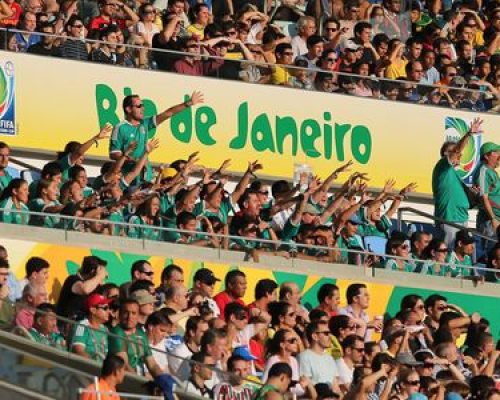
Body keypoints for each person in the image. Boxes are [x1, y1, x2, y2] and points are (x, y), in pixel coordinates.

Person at [109, 92, 204, 184]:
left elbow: (168, 113)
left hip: (147, 178)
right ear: (128, 109)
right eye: (139, 106)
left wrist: (188, 103)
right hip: (129, 179)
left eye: (143, 105)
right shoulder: (120, 127)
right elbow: (113, 154)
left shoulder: (145, 123)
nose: (142, 108)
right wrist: (134, 160)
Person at [432, 117, 483, 248]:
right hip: (449, 220)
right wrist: (469, 134)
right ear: (445, 154)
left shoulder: (456, 175)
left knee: (462, 256)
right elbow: (457, 150)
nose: (459, 155)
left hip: (463, 219)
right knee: (448, 255)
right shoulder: (442, 168)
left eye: (460, 154)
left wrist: (474, 196)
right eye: (455, 152)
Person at [108, 299, 164, 377]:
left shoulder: (140, 333)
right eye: (126, 313)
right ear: (119, 314)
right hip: (125, 379)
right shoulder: (116, 332)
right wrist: (140, 382)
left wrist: (162, 378)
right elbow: (124, 365)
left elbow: (152, 364)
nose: (129, 317)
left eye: (133, 313)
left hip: (139, 377)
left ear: (138, 316)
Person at [56, 256, 108, 321]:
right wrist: (99, 276)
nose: (106, 275)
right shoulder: (72, 280)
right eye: (101, 271)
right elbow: (85, 289)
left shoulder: (93, 286)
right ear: (93, 271)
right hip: (63, 324)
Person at [299, 321, 341, 392]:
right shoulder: (304, 357)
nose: (330, 336)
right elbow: (307, 386)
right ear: (315, 336)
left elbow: (336, 387)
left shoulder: (329, 358)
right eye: (326, 333)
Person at [70, 292, 111, 363]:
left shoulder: (105, 329)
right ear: (93, 310)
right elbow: (79, 351)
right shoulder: (82, 326)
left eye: (109, 308)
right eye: (105, 308)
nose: (109, 311)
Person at [472, 142, 499, 248]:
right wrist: (493, 219)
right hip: (490, 222)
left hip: (496, 220)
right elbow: (484, 198)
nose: (499, 155)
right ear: (487, 156)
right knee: (491, 252)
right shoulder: (483, 171)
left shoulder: (492, 172)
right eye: (496, 153)